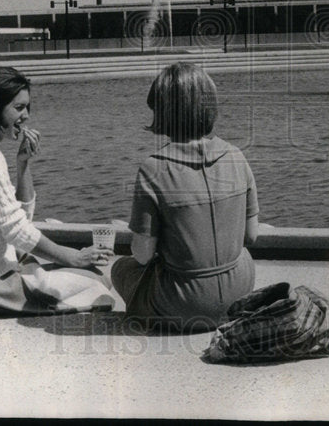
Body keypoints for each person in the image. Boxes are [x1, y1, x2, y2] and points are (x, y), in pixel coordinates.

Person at [0, 67, 112, 316]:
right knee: (99, 280)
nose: (26, 116)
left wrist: (23, 164)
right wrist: (72, 257)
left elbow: (18, 221)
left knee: (70, 274)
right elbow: (16, 229)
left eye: (27, 107)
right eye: (18, 108)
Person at [110, 62, 260, 330]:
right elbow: (251, 236)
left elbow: (143, 255)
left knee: (121, 269)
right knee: (242, 256)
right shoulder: (237, 156)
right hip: (240, 292)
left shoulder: (152, 169)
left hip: (183, 304)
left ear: (163, 112)